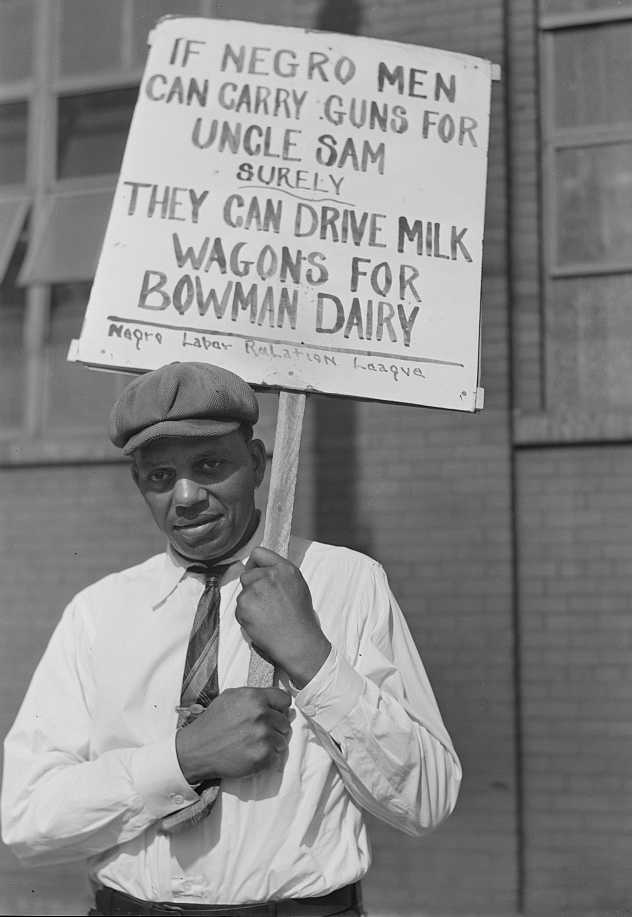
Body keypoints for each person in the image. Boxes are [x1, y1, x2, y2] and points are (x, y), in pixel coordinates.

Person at [2, 361, 461, 917]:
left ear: (259, 463)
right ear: (139, 484)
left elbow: (426, 799)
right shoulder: (98, 613)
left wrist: (312, 659)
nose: (187, 496)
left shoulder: (345, 582)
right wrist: (182, 760)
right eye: (161, 476)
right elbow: (24, 820)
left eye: (210, 465)